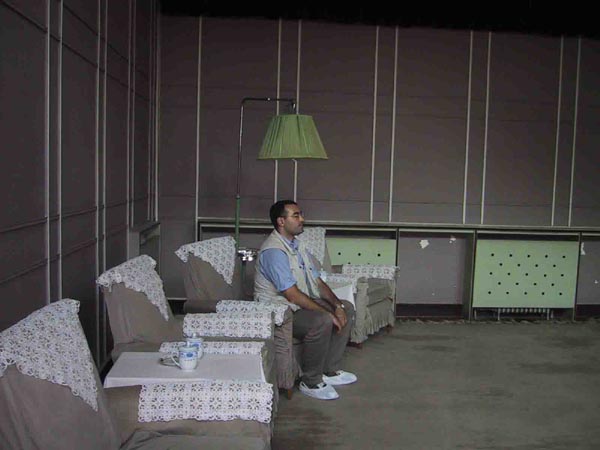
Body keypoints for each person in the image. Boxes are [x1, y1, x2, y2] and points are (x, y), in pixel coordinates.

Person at [254, 200, 357, 400]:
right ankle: (311, 381)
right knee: (322, 320)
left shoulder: (298, 246)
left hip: (297, 304)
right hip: (280, 311)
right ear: (281, 221)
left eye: (301, 214)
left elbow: (317, 281)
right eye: (296, 215)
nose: (302, 219)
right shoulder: (274, 251)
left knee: (347, 308)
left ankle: (330, 370)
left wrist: (337, 306)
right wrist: (327, 312)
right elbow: (291, 294)